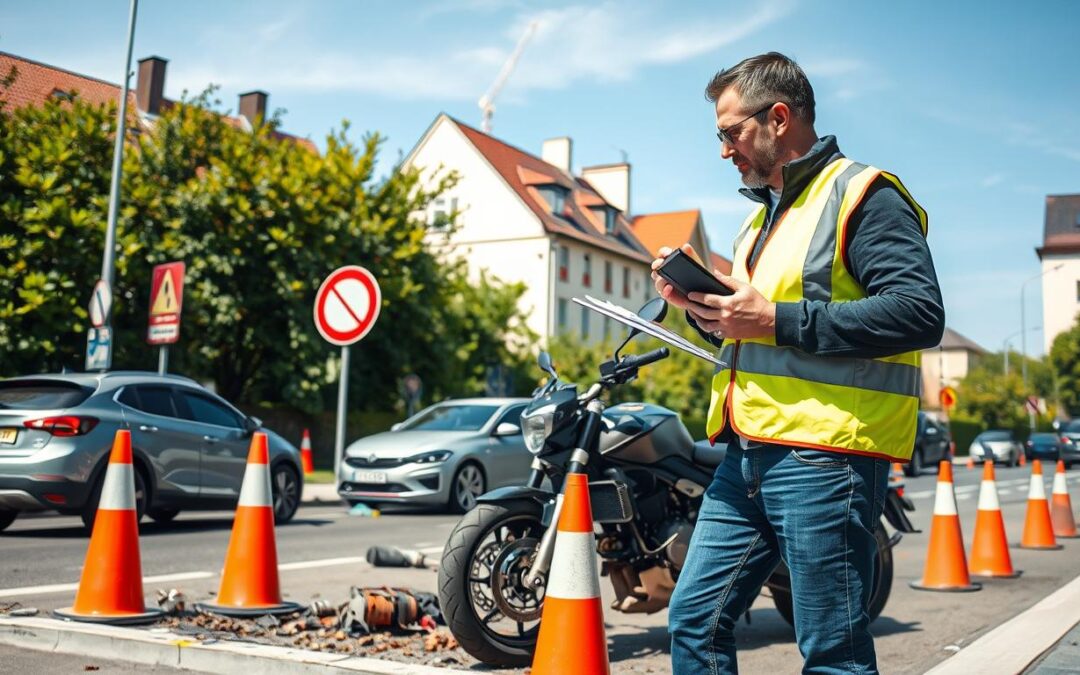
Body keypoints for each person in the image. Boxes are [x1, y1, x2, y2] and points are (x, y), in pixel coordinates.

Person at [656, 52, 944, 674]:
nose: (724, 150)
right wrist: (701, 307)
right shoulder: (761, 221)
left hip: (825, 457)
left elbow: (919, 313)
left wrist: (775, 319)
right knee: (694, 623)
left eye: (730, 133)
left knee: (832, 652)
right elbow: (751, 336)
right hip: (747, 453)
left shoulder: (864, 195)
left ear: (779, 117)